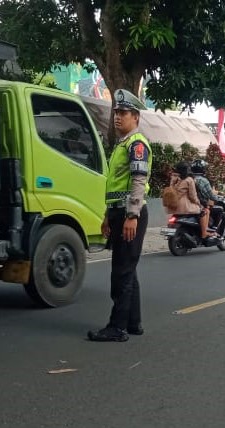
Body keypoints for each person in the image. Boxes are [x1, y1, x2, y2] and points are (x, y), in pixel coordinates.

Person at [87, 89, 152, 342]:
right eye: (116, 112)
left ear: (135, 117)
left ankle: (117, 327)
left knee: (121, 272)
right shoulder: (122, 144)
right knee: (129, 270)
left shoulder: (137, 144)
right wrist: (107, 215)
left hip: (129, 214)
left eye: (123, 113)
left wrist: (132, 215)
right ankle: (133, 323)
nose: (117, 117)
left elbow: (138, 180)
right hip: (118, 213)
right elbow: (116, 186)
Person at [191, 159, 220, 241]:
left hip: (188, 203)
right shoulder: (203, 180)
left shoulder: (189, 178)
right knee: (206, 210)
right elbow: (210, 195)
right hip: (198, 203)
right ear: (203, 169)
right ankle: (204, 232)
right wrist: (217, 198)